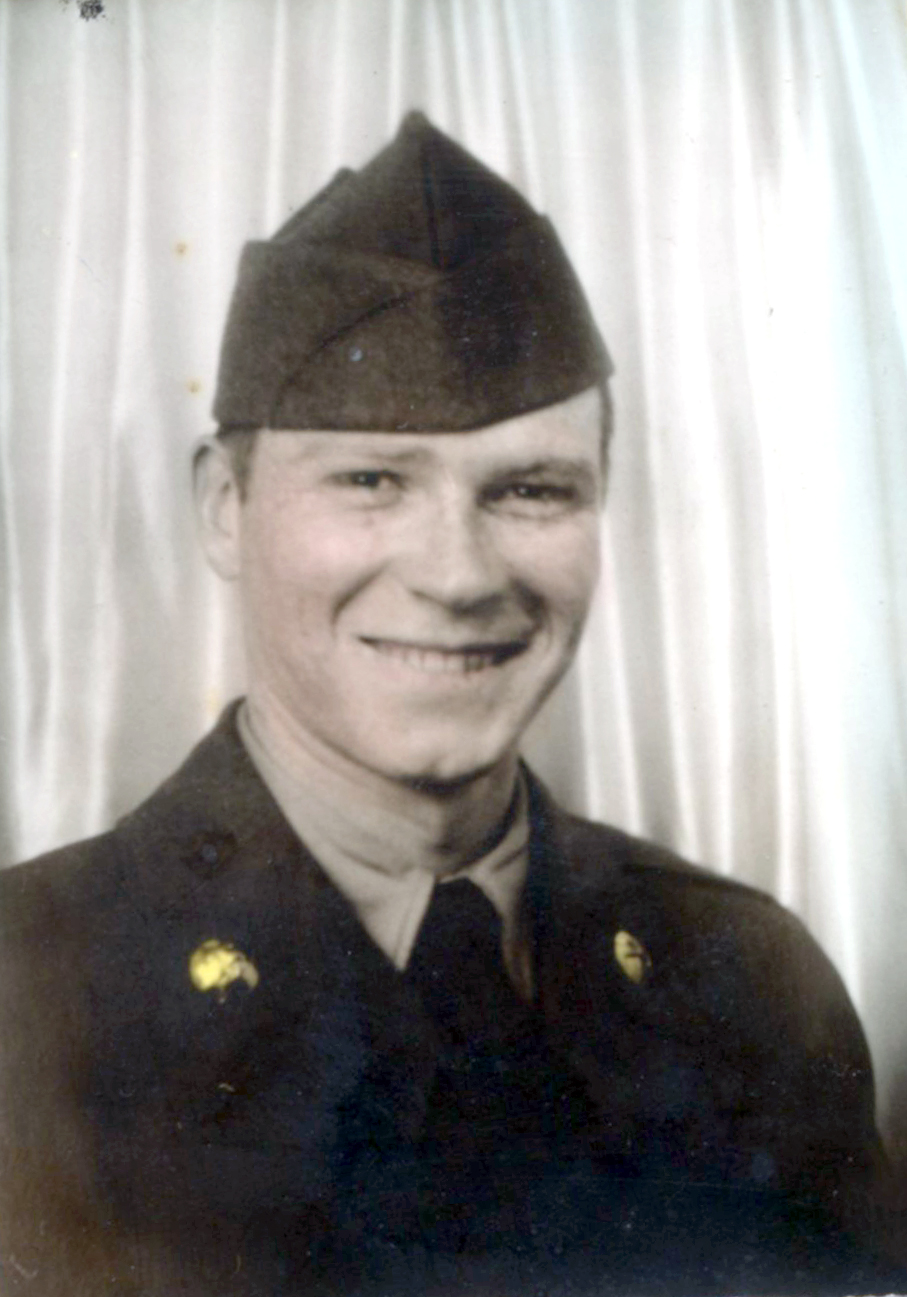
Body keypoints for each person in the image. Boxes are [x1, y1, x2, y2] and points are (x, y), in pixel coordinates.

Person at [0, 113, 901, 1297]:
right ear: (225, 509)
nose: (459, 574)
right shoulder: (28, 996)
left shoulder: (752, 984)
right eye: (372, 479)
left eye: (529, 490)